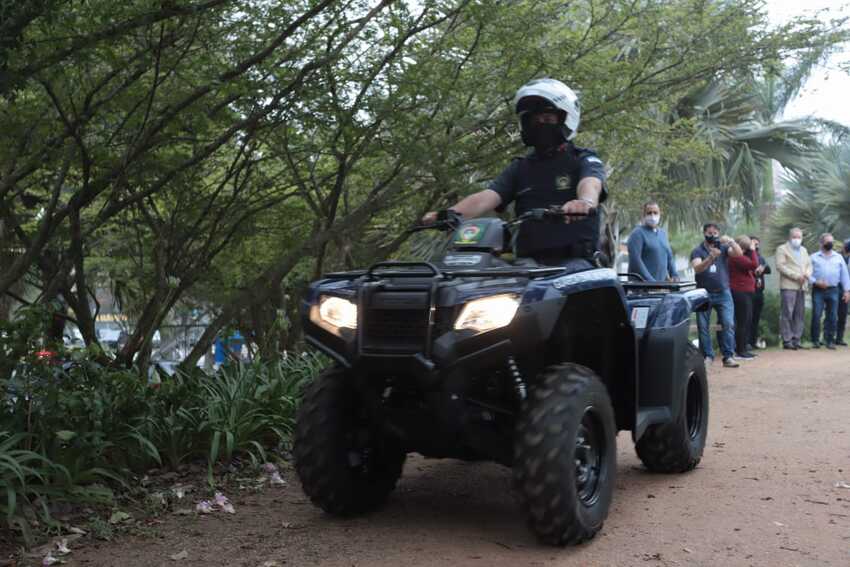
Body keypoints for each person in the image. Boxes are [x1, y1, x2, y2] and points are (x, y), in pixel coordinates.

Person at [422, 78, 606, 266]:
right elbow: (487, 196)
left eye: (548, 119)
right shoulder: (521, 167)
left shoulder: (583, 159)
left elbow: (591, 183)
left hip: (576, 262)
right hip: (529, 263)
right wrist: (450, 214)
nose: (541, 125)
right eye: (535, 120)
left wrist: (584, 202)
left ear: (566, 119)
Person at [690, 223, 744, 368]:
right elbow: (697, 268)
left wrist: (731, 241)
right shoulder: (697, 251)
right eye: (709, 232)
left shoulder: (724, 248)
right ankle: (708, 355)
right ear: (704, 233)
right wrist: (710, 258)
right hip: (703, 293)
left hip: (723, 292)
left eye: (715, 233)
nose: (712, 235)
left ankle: (728, 356)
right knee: (703, 326)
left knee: (728, 323)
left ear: (719, 234)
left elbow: (739, 253)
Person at [808, 233, 850, 350]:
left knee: (832, 315)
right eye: (827, 241)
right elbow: (807, 274)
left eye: (832, 241)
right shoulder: (813, 257)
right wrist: (815, 282)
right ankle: (815, 340)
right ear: (821, 243)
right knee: (817, 314)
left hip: (834, 290)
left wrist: (847, 291)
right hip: (818, 290)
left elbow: (844, 276)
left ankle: (829, 340)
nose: (830, 244)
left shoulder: (838, 257)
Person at [775, 228, 812, 350]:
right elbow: (780, 266)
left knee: (799, 313)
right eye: (795, 237)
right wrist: (796, 276)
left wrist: (807, 274)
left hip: (802, 286)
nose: (797, 239)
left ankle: (797, 339)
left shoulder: (804, 250)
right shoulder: (782, 249)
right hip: (788, 285)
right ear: (790, 237)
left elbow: (809, 265)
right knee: (787, 313)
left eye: (799, 237)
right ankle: (787, 340)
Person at [627, 201, 678, 282]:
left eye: (655, 213)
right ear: (643, 215)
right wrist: (650, 281)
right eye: (649, 213)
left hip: (661, 287)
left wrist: (674, 274)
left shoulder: (663, 234)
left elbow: (669, 257)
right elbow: (635, 260)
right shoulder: (637, 233)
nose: (652, 216)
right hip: (642, 288)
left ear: (660, 214)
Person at [728, 235, 759, 360]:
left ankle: (743, 348)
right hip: (740, 291)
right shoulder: (736, 256)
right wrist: (752, 250)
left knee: (746, 320)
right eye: (745, 248)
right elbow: (754, 264)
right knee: (742, 321)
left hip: (745, 291)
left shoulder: (740, 256)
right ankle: (740, 350)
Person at [748, 236, 772, 350]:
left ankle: (753, 341)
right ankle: (745, 342)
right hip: (748, 292)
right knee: (747, 317)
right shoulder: (745, 257)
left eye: (757, 244)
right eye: (753, 244)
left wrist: (763, 268)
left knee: (756, 318)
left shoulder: (760, 258)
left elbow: (769, 269)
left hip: (759, 292)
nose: (756, 246)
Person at [836, 238, 850, 346]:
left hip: (847, 290)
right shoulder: (836, 256)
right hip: (835, 288)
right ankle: (828, 337)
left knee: (843, 314)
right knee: (831, 313)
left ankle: (839, 338)